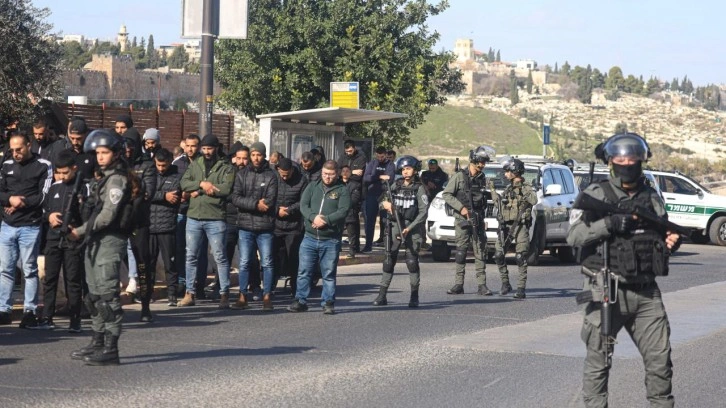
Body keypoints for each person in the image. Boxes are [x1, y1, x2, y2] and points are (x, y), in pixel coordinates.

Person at [567, 133, 680, 407]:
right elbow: (574, 236)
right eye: (621, 159)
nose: (627, 164)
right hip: (606, 290)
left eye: (633, 159)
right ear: (611, 162)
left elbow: (659, 237)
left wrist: (670, 243)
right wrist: (609, 224)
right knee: (599, 363)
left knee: (660, 363)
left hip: (646, 293)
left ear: (641, 160)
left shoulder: (651, 197)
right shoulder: (595, 194)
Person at [68, 129, 132, 366]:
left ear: (116, 154)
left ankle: (111, 348)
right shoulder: (102, 178)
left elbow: (106, 216)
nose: (100, 157)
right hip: (95, 240)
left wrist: (79, 231)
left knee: (107, 297)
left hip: (109, 241)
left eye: (105, 152)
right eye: (98, 153)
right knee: (93, 296)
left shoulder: (117, 180)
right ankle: (97, 342)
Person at [0, 132, 53, 327]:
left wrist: (21, 203)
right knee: (5, 269)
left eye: (19, 149)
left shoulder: (43, 165)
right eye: (12, 150)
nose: (15, 153)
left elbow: (44, 195)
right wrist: (9, 199)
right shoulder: (6, 165)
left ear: (28, 145)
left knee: (29, 269)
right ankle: (4, 310)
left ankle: (29, 311)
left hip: (30, 225)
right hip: (7, 225)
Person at [178, 135, 235, 308]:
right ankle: (189, 293)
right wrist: (202, 184)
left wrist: (203, 190)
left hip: (215, 217)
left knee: (220, 257)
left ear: (216, 148)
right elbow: (184, 183)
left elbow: (226, 189)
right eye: (204, 148)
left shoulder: (226, 167)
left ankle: (224, 294)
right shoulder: (196, 164)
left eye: (209, 148)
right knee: (191, 256)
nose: (206, 151)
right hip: (194, 217)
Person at [287, 160, 350, 315]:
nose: (327, 177)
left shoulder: (342, 190)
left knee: (328, 273)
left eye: (331, 174)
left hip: (330, 240)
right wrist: (313, 217)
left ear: (337, 174)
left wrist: (326, 220)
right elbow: (304, 205)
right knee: (304, 271)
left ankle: (328, 302)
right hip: (309, 238)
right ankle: (300, 301)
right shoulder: (312, 186)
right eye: (325, 174)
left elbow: (343, 211)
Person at [372, 156, 428, 308]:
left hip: (412, 228)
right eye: (403, 169)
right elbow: (381, 201)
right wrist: (385, 204)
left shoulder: (419, 188)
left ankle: (414, 296)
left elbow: (423, 213)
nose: (405, 172)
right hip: (394, 226)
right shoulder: (395, 185)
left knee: (412, 262)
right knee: (389, 260)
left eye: (408, 169)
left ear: (415, 170)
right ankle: (382, 295)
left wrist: (409, 228)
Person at [39, 150, 85, 332]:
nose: (61, 176)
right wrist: (49, 216)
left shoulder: (82, 187)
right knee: (49, 278)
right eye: (58, 172)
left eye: (65, 172)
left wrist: (76, 226)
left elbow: (88, 214)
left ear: (74, 168)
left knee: (72, 280)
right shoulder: (54, 188)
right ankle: (47, 317)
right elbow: (44, 210)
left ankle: (75, 318)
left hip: (72, 240)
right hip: (53, 238)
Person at [229, 142, 278, 311]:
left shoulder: (271, 176)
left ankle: (267, 296)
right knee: (244, 262)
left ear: (264, 156)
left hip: (265, 227)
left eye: (259, 155)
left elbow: (270, 200)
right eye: (253, 155)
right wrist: (256, 204)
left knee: (267, 262)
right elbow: (236, 198)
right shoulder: (242, 174)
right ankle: (242, 296)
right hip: (245, 226)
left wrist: (256, 204)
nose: (256, 158)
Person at [442, 145, 494, 296]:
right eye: (481, 162)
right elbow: (447, 194)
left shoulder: (482, 178)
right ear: (474, 161)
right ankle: (458, 284)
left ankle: (482, 285)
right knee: (461, 252)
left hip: (477, 218)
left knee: (480, 251)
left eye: (484, 162)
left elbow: (483, 199)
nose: (483, 165)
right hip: (462, 219)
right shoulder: (459, 176)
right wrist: (461, 208)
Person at [490, 157, 537, 299]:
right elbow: (500, 204)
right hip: (506, 226)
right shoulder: (508, 188)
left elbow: (534, 200)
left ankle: (521, 288)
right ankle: (505, 283)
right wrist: (492, 190)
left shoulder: (526, 187)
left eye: (507, 171)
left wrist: (522, 189)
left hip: (520, 225)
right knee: (498, 255)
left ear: (515, 172)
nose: (505, 174)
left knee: (520, 256)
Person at [123, 129, 157, 322]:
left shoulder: (147, 165)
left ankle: (145, 305)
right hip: (119, 220)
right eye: (125, 145)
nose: (128, 149)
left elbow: (147, 193)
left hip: (139, 221)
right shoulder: (118, 163)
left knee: (143, 262)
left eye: (132, 145)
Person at [172, 134, 209, 298]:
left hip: (201, 212)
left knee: (200, 251)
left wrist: (195, 191)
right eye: (187, 145)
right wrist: (183, 193)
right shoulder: (178, 163)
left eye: (193, 145)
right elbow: (174, 184)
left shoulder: (205, 163)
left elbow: (209, 185)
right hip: (182, 211)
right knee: (181, 249)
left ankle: (199, 285)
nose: (190, 149)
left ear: (198, 146)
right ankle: (183, 283)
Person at [148, 148, 181, 306]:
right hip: (149, 226)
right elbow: (145, 193)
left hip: (167, 225)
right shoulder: (149, 175)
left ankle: (172, 294)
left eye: (164, 165)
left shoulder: (176, 176)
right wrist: (163, 195)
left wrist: (159, 195)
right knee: (149, 263)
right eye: (158, 165)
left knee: (170, 263)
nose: (161, 168)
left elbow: (175, 196)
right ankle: (147, 294)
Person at [273, 157, 307, 294]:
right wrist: (277, 210)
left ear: (292, 170)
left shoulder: (302, 180)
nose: (285, 178)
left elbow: (303, 201)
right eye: (282, 175)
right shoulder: (273, 178)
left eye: (287, 175)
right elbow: (268, 196)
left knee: (293, 257)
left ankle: (295, 288)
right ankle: (271, 286)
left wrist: (289, 210)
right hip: (275, 224)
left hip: (294, 225)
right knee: (273, 257)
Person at [362, 146, 395, 252]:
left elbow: (390, 179)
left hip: (384, 195)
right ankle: (368, 246)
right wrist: (380, 177)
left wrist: (374, 177)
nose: (380, 158)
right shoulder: (372, 163)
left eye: (382, 156)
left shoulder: (390, 165)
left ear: (385, 155)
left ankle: (387, 246)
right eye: (378, 156)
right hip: (371, 195)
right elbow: (366, 178)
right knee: (370, 221)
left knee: (385, 221)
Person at [340, 165, 361, 258]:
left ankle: (352, 251)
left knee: (352, 233)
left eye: (347, 171)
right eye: (343, 171)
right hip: (338, 212)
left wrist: (343, 204)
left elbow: (354, 199)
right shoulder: (337, 183)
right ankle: (337, 248)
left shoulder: (355, 185)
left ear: (350, 173)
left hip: (350, 212)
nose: (345, 173)